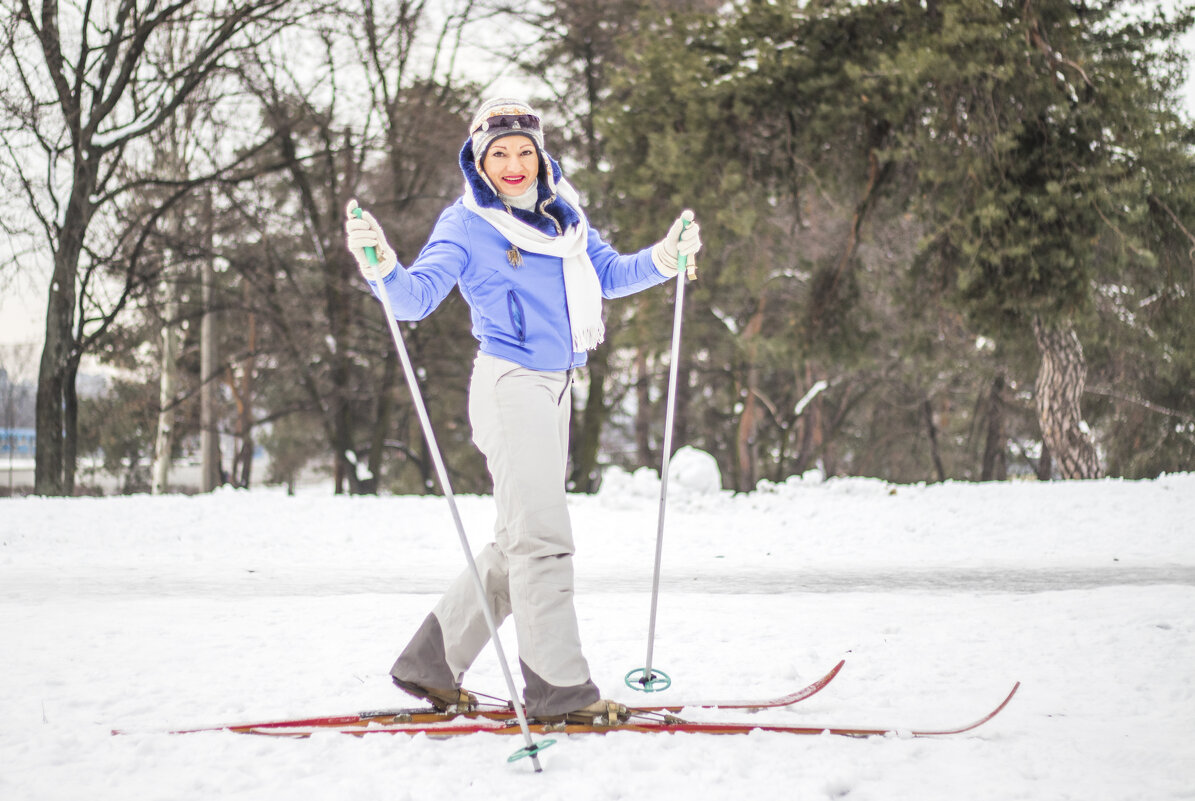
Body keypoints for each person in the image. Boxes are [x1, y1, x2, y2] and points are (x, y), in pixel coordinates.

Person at [344, 97, 701, 724]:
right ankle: (559, 690)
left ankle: (431, 663)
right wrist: (382, 268)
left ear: (540, 155)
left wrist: (666, 257)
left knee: (516, 545)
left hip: (556, 386)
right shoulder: (466, 224)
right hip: (510, 385)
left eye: (523, 151)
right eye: (499, 153)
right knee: (543, 541)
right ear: (478, 161)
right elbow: (416, 299)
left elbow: (611, 274)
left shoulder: (562, 218)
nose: (513, 164)